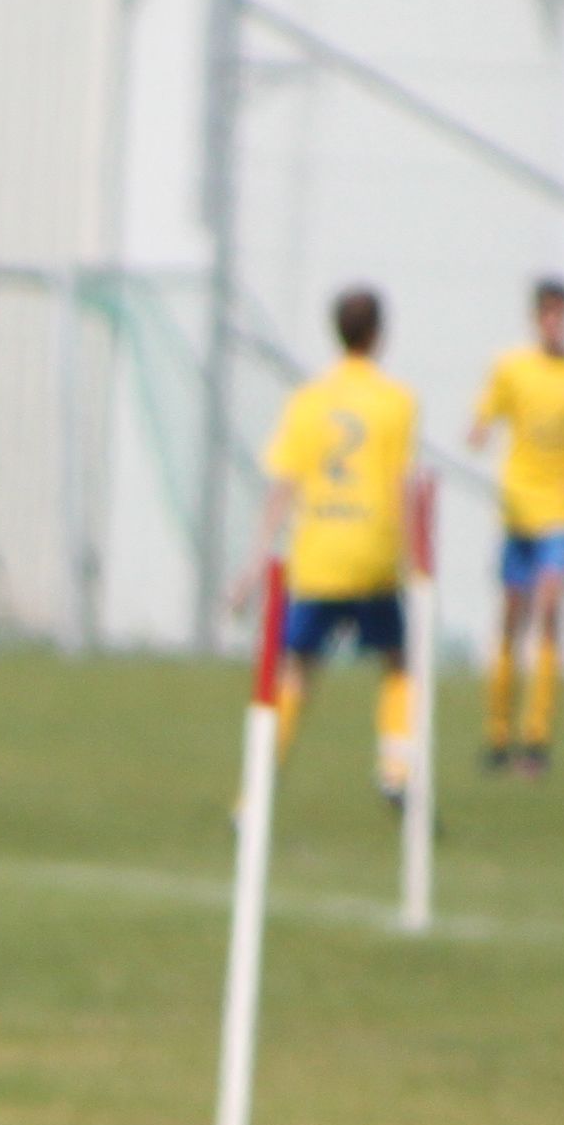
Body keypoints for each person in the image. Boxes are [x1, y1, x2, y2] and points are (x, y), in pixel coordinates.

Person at [236, 287, 420, 805]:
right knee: (398, 663)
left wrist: (254, 564)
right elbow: (401, 484)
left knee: (294, 672)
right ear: (378, 334)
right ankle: (395, 766)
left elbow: (283, 486)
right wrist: (411, 555)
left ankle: (254, 796)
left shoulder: (308, 400)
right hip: (373, 553)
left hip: (317, 555)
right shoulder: (396, 401)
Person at [466, 277, 564, 774]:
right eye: (547, 314)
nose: (555, 323)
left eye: (561, 315)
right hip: (517, 510)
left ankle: (536, 738)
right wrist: (478, 430)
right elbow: (485, 414)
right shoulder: (512, 367)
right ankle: (497, 735)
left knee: (550, 608)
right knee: (512, 616)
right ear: (535, 319)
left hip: (562, 513)